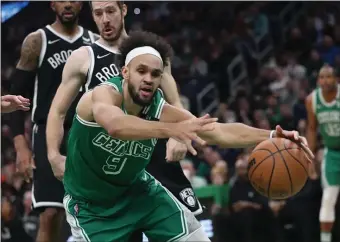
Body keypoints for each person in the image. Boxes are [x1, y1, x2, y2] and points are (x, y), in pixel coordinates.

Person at [62, 30, 313, 242]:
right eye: (141, 71)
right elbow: (115, 125)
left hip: (139, 193)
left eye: (155, 74)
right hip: (91, 209)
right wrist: (171, 130)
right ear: (125, 72)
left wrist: (271, 135)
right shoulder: (102, 95)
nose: (148, 79)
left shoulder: (158, 107)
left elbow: (218, 130)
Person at [46, 2, 202, 240]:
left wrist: (176, 136)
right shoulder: (83, 57)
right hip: (112, 157)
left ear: (124, 10)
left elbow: (175, 103)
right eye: (98, 14)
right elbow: (57, 111)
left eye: (110, 11)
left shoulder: (151, 53)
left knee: (187, 230)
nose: (105, 19)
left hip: (152, 151)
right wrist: (53, 154)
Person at [9, 2, 97, 242]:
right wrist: (21, 146)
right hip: (49, 133)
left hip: (87, 133)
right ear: (52, 3)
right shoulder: (37, 41)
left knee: (96, 211)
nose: (67, 4)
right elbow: (18, 97)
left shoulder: (94, 41)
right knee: (50, 213)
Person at [305, 65, 340, 242]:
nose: (325, 81)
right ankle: (325, 239)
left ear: (337, 80)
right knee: (328, 198)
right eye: (321, 77)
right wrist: (310, 157)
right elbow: (311, 129)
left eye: (329, 77)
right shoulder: (312, 100)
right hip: (332, 154)